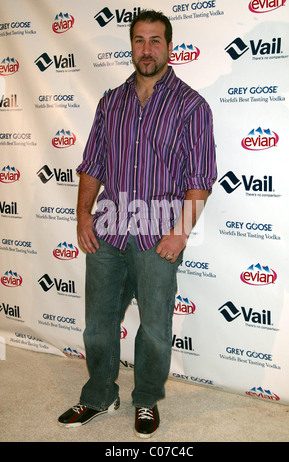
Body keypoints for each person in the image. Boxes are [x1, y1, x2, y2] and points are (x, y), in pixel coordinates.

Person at [58, 9, 216, 438]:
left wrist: (180, 231)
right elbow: (92, 164)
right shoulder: (111, 101)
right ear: (131, 45)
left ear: (170, 46)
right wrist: (82, 215)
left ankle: (145, 399)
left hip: (158, 235)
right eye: (139, 41)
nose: (147, 50)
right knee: (99, 321)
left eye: (155, 41)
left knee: (155, 327)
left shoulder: (191, 106)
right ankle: (98, 394)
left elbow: (200, 179)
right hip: (109, 230)